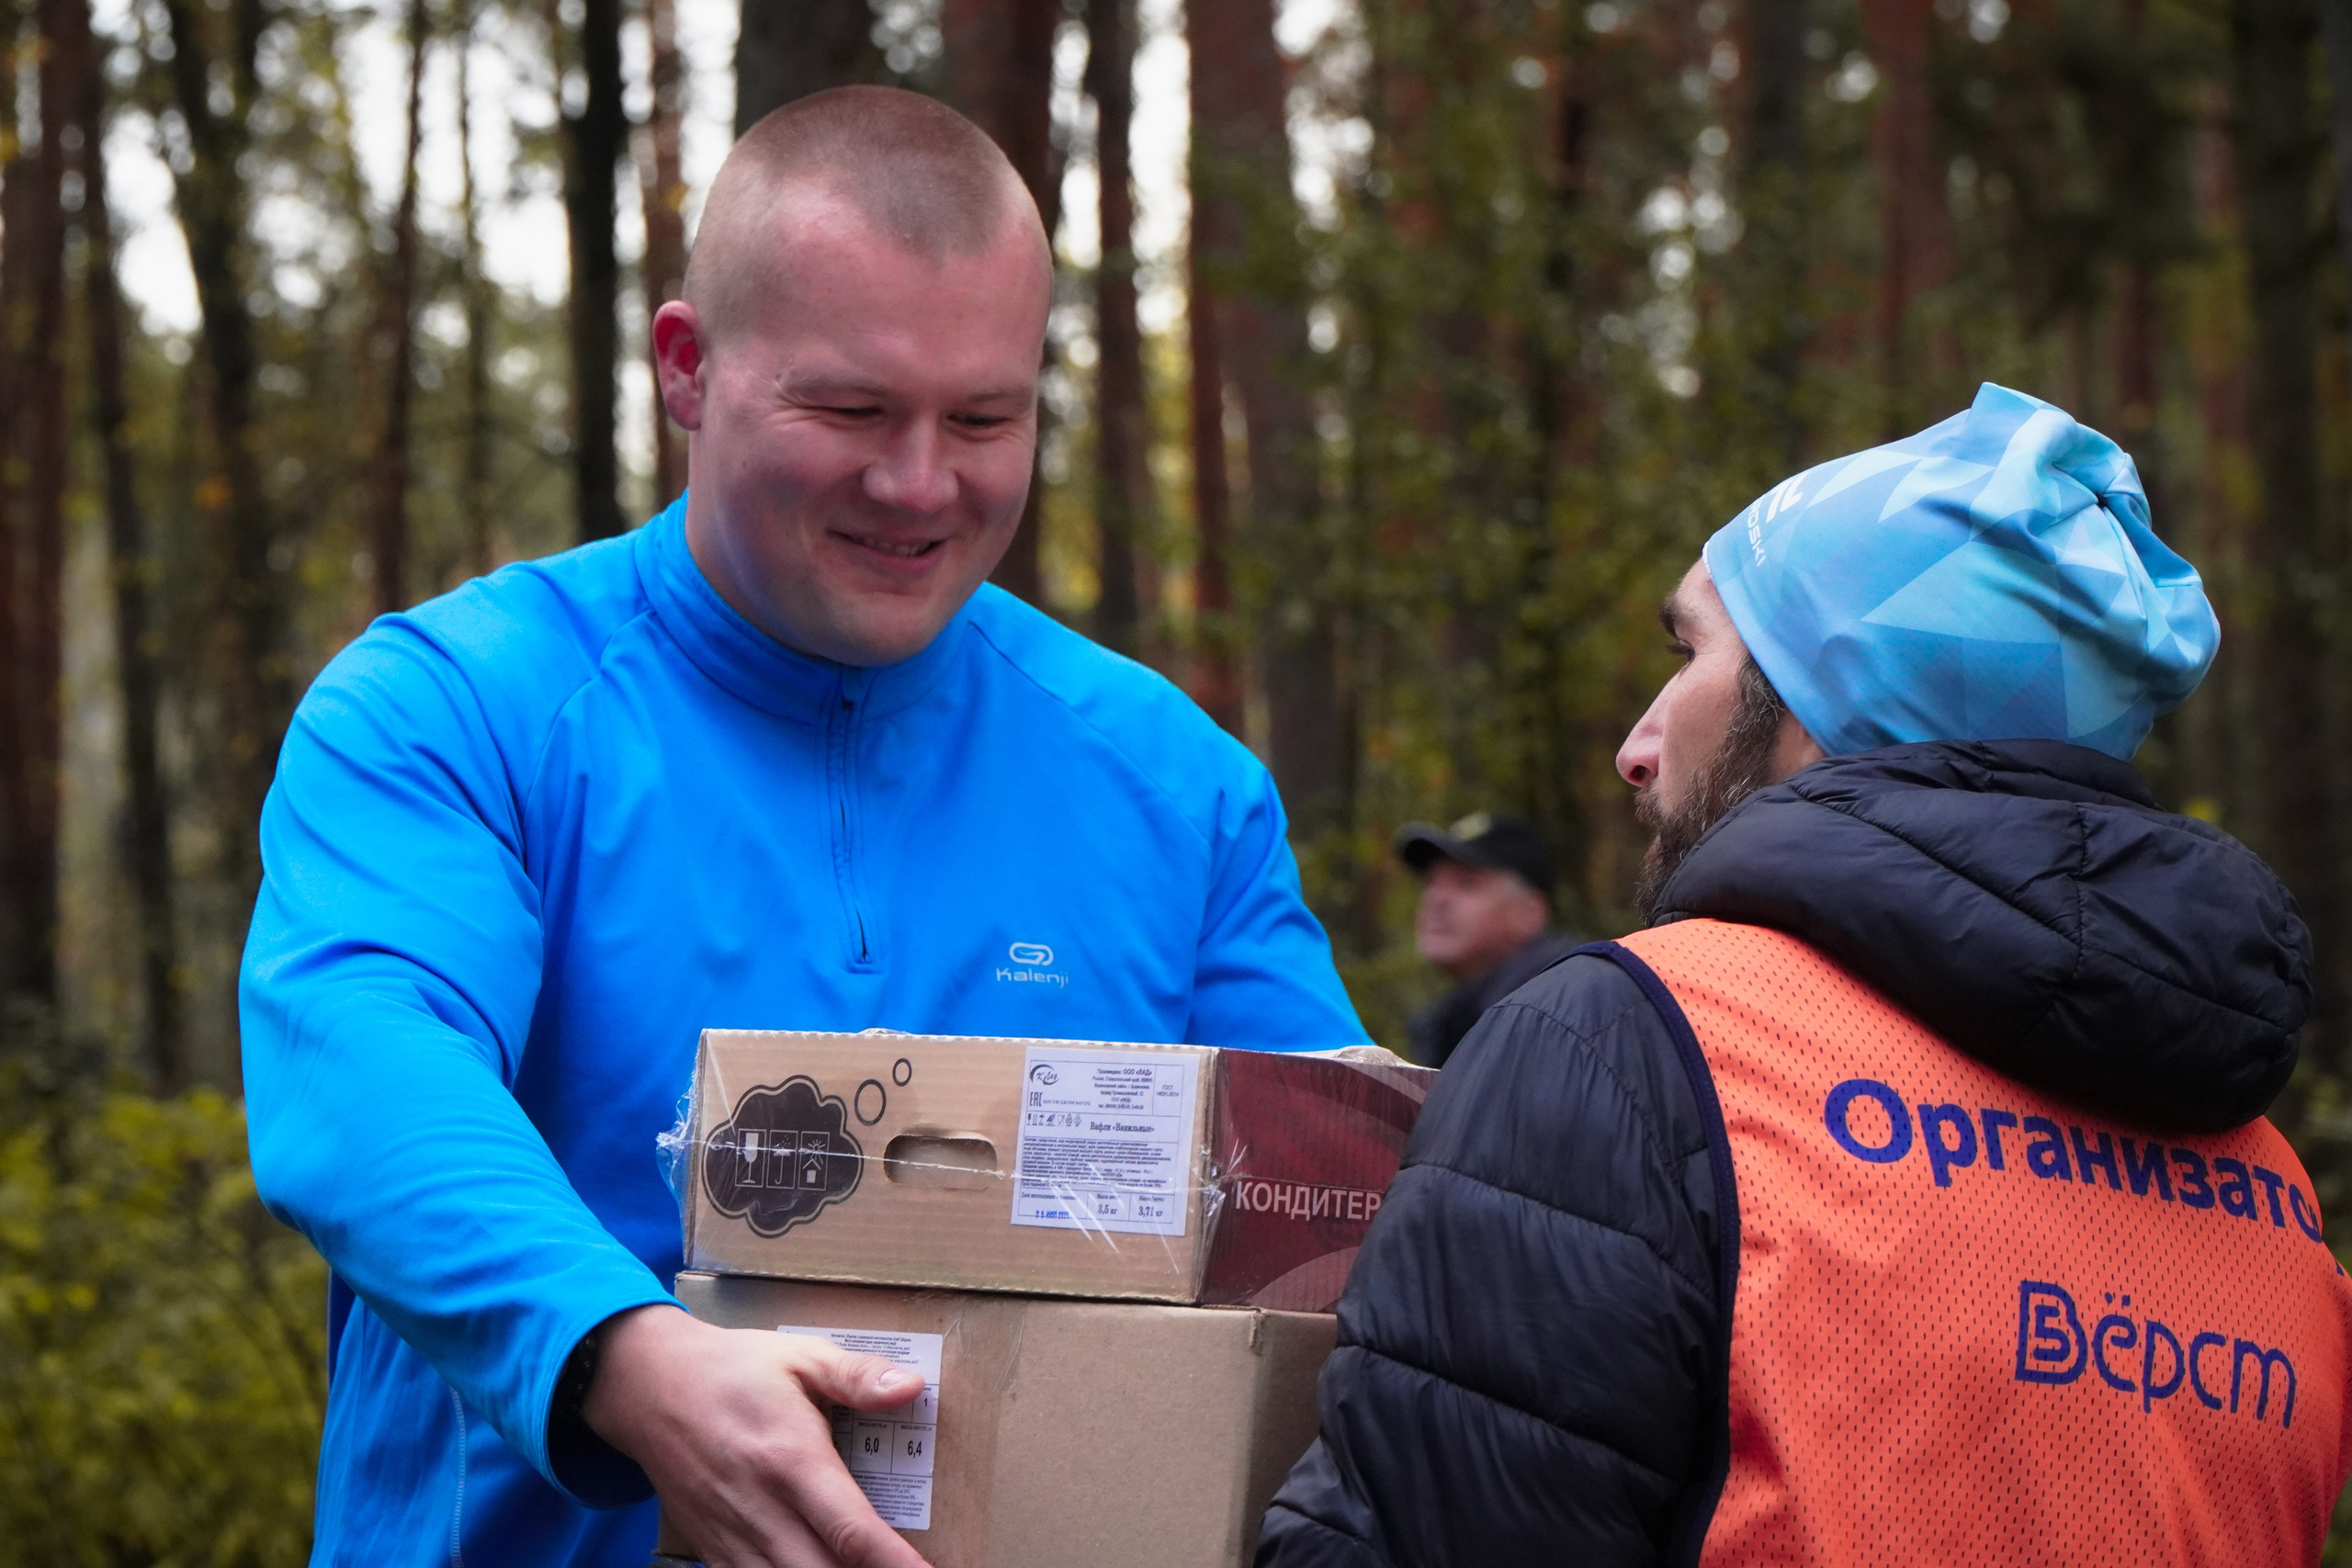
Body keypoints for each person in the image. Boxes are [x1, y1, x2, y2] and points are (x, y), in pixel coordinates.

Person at [240, 86, 1367, 1568]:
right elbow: (367, 1069)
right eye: (849, 410)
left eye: (985, 418)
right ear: (688, 369)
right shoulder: (458, 709)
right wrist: (624, 1361)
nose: (919, 485)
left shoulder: (1172, 782)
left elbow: (1331, 1201)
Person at [1258, 383, 2352, 1565]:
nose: (1636, 745)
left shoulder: (1629, 1049)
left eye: (1690, 654)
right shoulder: (2273, 1191)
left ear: (1830, 713)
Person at [1393, 813, 1578, 1066]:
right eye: (1431, 883)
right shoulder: (1455, 1023)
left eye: (1467, 885)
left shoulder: (1562, 1016)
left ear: (1528, 913)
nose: (1437, 900)